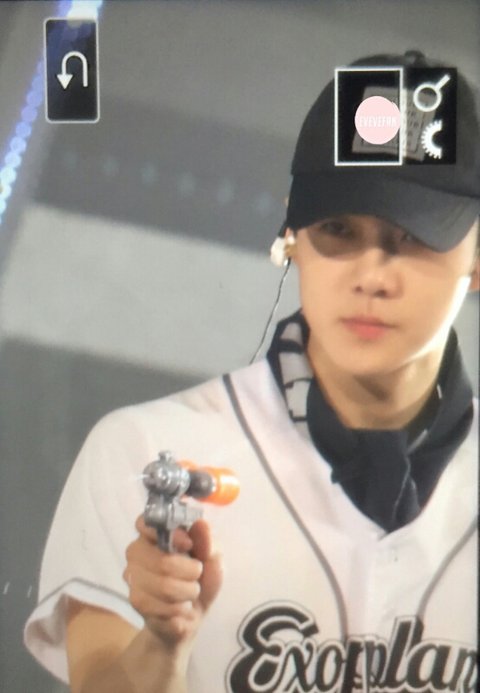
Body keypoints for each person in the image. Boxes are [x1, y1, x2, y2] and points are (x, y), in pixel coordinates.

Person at [25, 50, 479, 693]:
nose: (371, 276)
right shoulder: (147, 451)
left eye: (413, 235)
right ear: (291, 232)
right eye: (338, 228)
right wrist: (162, 646)